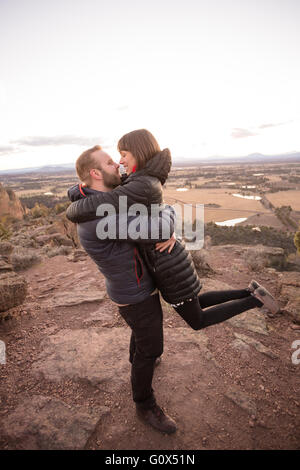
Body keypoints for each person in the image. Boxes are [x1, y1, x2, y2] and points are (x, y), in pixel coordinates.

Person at [66, 129, 280, 330]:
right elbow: (112, 193)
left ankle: (255, 300)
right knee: (193, 302)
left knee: (197, 319)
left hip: (164, 260)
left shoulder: (142, 183)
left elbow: (104, 202)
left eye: (123, 154)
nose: (120, 161)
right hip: (164, 257)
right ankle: (249, 291)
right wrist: (79, 190)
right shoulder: (138, 179)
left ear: (138, 153)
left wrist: (74, 208)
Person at [68, 145, 177, 434]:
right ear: (95, 173)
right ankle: (144, 404)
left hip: (130, 287)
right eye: (109, 162)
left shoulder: (99, 201)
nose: (117, 164)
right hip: (136, 293)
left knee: (142, 340)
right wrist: (169, 211)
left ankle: (140, 358)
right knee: (151, 346)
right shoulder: (103, 217)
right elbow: (160, 230)